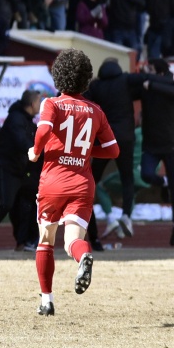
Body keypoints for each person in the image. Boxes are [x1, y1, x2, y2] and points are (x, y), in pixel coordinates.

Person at [29, 48, 121, 316]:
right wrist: (85, 151)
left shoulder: (51, 104)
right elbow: (113, 150)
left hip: (53, 182)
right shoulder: (95, 110)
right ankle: (83, 256)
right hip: (82, 183)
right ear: (86, 79)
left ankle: (46, 301)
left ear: (58, 75)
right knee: (72, 241)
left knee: (45, 240)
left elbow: (43, 131)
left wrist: (35, 152)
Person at [85, 59, 169, 246]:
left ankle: (93, 228)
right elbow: (145, 79)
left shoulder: (97, 86)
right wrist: (164, 80)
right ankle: (126, 215)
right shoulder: (125, 81)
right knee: (127, 178)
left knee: (91, 181)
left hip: (104, 139)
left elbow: (82, 99)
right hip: (124, 138)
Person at [0, 89, 44, 252]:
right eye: (39, 102)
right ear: (32, 104)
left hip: (19, 169)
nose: (40, 106)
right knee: (6, 204)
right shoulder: (16, 119)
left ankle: (26, 241)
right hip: (5, 168)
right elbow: (22, 143)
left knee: (30, 201)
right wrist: (38, 152)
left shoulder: (27, 120)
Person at [137, 58, 174, 245]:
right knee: (146, 174)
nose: (147, 72)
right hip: (151, 143)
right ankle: (162, 182)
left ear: (159, 72)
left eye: (150, 69)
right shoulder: (144, 85)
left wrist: (152, 84)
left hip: (170, 143)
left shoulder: (171, 85)